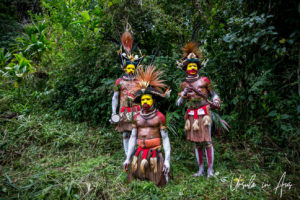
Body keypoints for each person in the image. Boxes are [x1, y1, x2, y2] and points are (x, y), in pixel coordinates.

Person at [176, 42, 221, 178]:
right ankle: (201, 169)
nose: (192, 68)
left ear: (198, 67)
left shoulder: (204, 80)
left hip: (204, 112)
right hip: (191, 115)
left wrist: (216, 101)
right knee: (197, 143)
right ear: (185, 68)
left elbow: (214, 94)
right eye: (190, 66)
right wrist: (184, 94)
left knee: (207, 141)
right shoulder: (183, 84)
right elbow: (178, 104)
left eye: (195, 65)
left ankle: (210, 171)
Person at [123, 65, 171, 186]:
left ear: (153, 101)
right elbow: (133, 137)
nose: (145, 102)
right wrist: (128, 158)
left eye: (148, 99)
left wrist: (167, 161)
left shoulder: (160, 117)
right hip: (139, 152)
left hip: (155, 152)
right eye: (143, 100)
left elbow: (165, 139)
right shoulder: (136, 118)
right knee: (135, 180)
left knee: (160, 182)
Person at [111, 31, 143, 156]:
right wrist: (114, 112)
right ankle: (127, 156)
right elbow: (115, 97)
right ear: (124, 68)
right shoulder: (119, 81)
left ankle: (135, 154)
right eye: (128, 68)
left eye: (132, 68)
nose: (130, 70)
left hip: (137, 110)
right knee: (125, 133)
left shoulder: (140, 81)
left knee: (136, 132)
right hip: (124, 110)